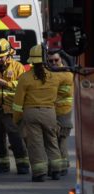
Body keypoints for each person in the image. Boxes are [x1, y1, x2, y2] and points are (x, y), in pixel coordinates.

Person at [12, 45, 65, 182]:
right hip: (49, 113)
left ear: (32, 60)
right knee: (52, 141)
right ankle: (56, 171)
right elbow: (61, 94)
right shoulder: (55, 76)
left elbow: (18, 103)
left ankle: (39, 173)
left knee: (35, 144)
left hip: (31, 113)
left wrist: (16, 119)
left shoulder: (25, 78)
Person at [0, 38, 30, 175]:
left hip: (11, 110)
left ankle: (22, 165)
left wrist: (6, 84)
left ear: (9, 53)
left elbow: (23, 85)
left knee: (16, 139)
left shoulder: (18, 67)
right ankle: (2, 165)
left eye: (2, 57)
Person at [47, 51, 74, 176]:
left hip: (63, 112)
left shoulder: (66, 74)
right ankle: (58, 166)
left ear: (61, 60)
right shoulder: (51, 74)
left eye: (56, 60)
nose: (53, 63)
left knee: (61, 140)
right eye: (50, 61)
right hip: (52, 111)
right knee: (53, 141)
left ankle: (63, 166)